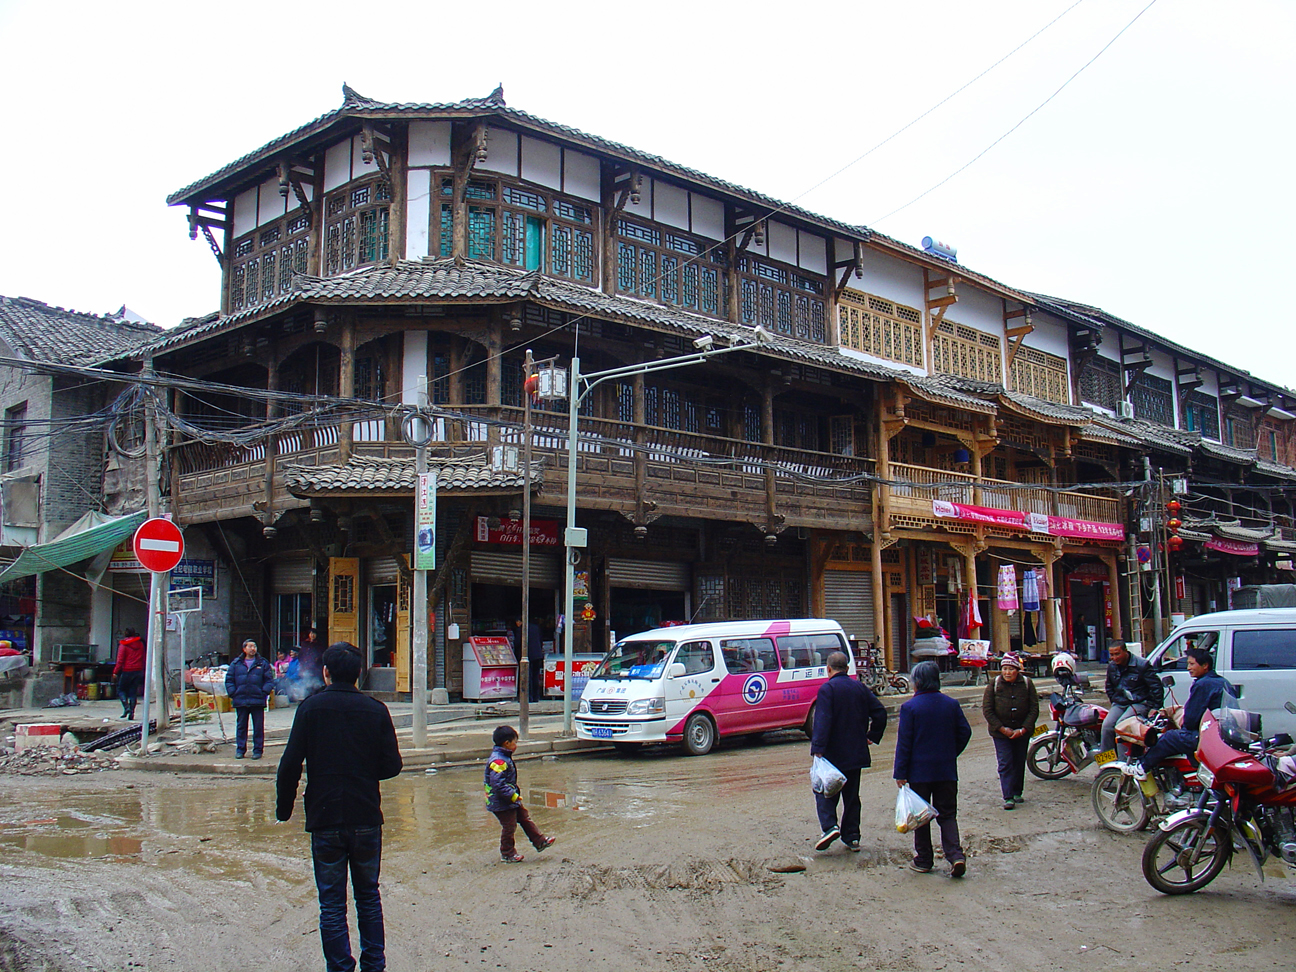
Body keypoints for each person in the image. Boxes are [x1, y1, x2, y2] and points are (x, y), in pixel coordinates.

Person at [277, 642, 402, 972]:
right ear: (360, 673)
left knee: (332, 904)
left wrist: (284, 808)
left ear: (326, 672)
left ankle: (340, 968)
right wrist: (362, 771)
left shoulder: (311, 708)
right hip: (365, 815)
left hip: (324, 816)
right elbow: (393, 765)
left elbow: (289, 764)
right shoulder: (376, 710)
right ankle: (374, 965)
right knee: (368, 897)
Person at [893, 660, 973, 876]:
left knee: (921, 816)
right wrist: (950, 753)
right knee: (947, 814)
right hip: (946, 770)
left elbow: (904, 743)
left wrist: (900, 773)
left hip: (919, 773)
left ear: (917, 682)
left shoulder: (910, 707)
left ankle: (924, 859)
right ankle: (955, 856)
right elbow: (965, 732)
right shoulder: (951, 704)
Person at [809, 650, 888, 852]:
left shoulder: (827, 690)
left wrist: (818, 748)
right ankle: (852, 836)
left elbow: (823, 721)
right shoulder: (859, 687)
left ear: (828, 669)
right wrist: (872, 735)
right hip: (856, 752)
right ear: (847, 668)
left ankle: (830, 827)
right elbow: (880, 712)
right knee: (852, 796)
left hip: (832, 754)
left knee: (825, 791)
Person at [1127, 647, 1234, 781]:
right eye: (1188, 664)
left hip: (1208, 737)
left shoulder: (1203, 684)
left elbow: (1191, 719)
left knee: (1170, 737)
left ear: (1205, 665)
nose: (1188, 668)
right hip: (1223, 734)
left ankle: (1141, 767)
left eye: (1192, 664)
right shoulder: (1222, 681)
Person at [485, 725, 556, 863]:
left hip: (510, 799)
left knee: (524, 817)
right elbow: (497, 784)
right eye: (514, 742)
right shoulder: (499, 760)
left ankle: (540, 841)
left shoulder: (503, 757)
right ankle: (507, 853)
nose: (515, 745)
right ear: (507, 743)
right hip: (501, 801)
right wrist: (512, 795)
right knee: (509, 826)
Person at [982, 651, 1039, 809]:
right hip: (1000, 733)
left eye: (1011, 669)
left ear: (1017, 670)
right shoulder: (994, 684)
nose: (1007, 672)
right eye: (1004, 669)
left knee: (1018, 761)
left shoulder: (1027, 684)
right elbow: (987, 710)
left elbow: (1034, 709)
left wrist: (1023, 729)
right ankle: (1008, 796)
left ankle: (1017, 792)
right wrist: (1002, 729)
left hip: (1022, 731)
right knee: (1005, 762)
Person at [1100, 641, 1164, 755]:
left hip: (1140, 703)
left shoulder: (1142, 665)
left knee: (1121, 726)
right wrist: (1115, 700)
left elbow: (1156, 687)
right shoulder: (1112, 666)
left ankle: (1123, 763)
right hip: (1120, 703)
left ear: (1125, 652)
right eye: (1112, 655)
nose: (1114, 658)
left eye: (1117, 654)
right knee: (1106, 726)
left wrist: (1154, 707)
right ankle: (1106, 763)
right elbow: (1109, 687)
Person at [225, 639, 275, 759]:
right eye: (250, 646)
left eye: (255, 646)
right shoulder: (236, 663)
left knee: (258, 727)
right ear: (244, 649)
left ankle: (258, 750)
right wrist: (233, 693)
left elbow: (269, 680)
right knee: (241, 726)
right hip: (241, 699)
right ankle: (240, 749)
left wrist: (263, 692)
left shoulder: (262, 663)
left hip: (257, 700)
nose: (253, 649)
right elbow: (229, 680)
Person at [112, 627, 146, 720]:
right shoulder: (140, 644)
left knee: (121, 689)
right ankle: (131, 712)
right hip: (138, 671)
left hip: (127, 671)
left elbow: (120, 660)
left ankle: (126, 707)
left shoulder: (123, 645)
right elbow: (143, 658)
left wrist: (115, 672)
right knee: (133, 692)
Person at [515, 616, 544, 703]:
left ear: (520, 621)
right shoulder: (536, 627)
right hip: (537, 654)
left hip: (528, 655)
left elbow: (517, 642)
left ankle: (528, 697)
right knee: (535, 677)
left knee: (527, 676)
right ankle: (536, 697)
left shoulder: (521, 629)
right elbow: (540, 640)